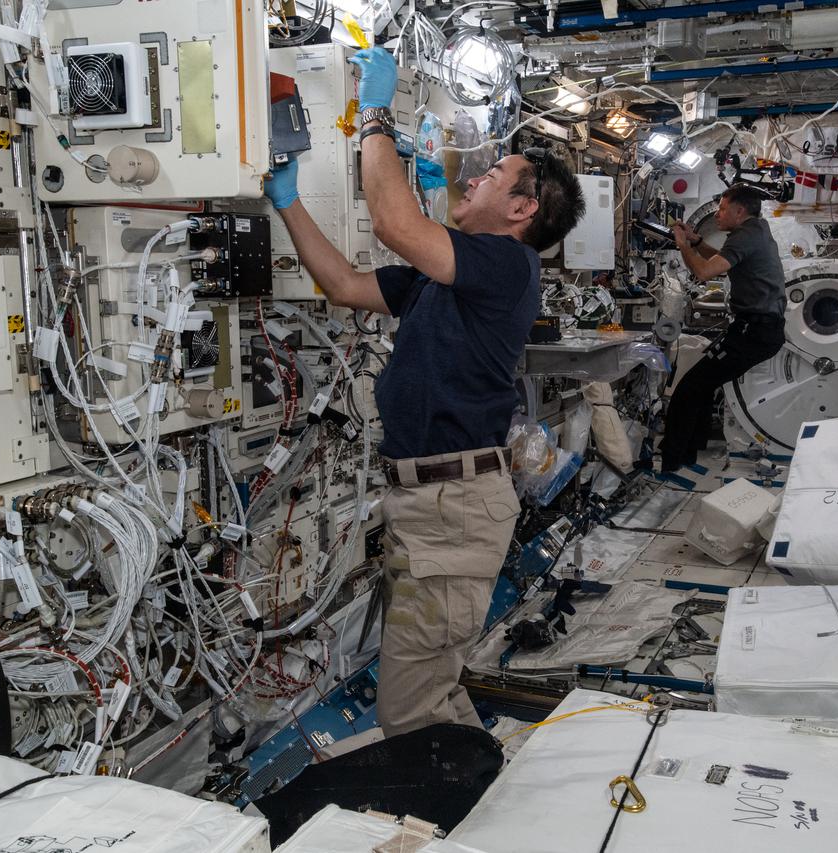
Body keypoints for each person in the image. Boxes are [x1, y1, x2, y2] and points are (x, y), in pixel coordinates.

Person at [264, 46, 585, 737]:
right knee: (431, 684)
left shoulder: (509, 264)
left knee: (408, 708)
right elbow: (344, 286)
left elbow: (394, 225)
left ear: (522, 208)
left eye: (491, 176)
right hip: (432, 502)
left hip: (453, 508)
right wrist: (288, 204)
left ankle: (445, 797)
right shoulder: (449, 278)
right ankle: (478, 777)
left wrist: (375, 115)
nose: (473, 179)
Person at [661, 184, 786, 472]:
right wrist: (695, 241)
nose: (717, 214)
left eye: (722, 209)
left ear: (739, 211)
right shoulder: (755, 230)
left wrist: (682, 245)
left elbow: (704, 271)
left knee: (688, 389)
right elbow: (723, 260)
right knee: (701, 386)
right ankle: (688, 456)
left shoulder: (746, 235)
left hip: (754, 333)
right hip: (758, 330)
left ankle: (671, 463)